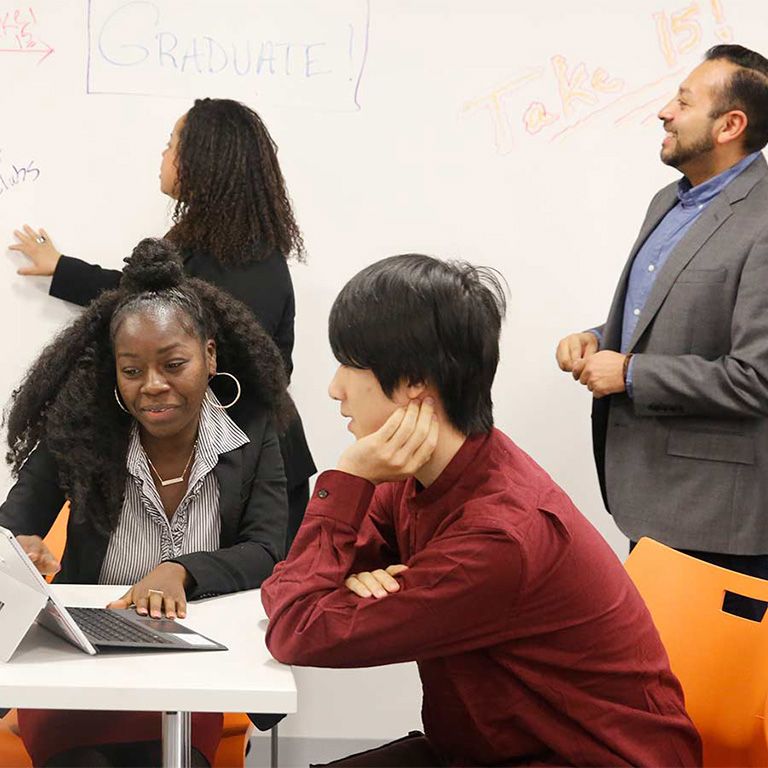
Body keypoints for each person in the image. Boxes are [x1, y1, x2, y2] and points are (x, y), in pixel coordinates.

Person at [260, 254, 701, 767]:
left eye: (350, 365)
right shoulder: (423, 473)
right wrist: (339, 574)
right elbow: (291, 590)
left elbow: (296, 628)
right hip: (492, 750)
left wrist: (349, 480)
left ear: (413, 384)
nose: (335, 388)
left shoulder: (499, 537)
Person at [0, 238, 289, 767]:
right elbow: (5, 534)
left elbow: (269, 548)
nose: (153, 387)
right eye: (132, 371)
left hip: (188, 678)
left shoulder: (252, 433)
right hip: (78, 674)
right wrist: (19, 556)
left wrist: (183, 571)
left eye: (173, 364)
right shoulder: (81, 432)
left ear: (209, 354)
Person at [8, 97, 315, 547]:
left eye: (172, 144)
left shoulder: (247, 264)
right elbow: (138, 298)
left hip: (249, 474)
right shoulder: (201, 243)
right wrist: (62, 270)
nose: (163, 155)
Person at [555, 45, 768, 582]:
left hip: (717, 522)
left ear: (730, 125)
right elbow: (665, 318)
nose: (664, 112)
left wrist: (629, 372)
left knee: (707, 670)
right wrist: (599, 338)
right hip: (649, 500)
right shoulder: (666, 203)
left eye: (683, 101)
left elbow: (757, 378)